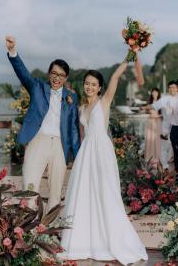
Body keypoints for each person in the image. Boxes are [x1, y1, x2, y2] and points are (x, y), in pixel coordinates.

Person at [58, 55, 148, 265]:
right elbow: (80, 135)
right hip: (86, 152)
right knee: (84, 193)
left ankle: (114, 240)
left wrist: (130, 55)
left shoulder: (105, 101)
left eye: (93, 84)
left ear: (100, 88)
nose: (89, 87)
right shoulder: (81, 107)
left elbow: (116, 76)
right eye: (87, 83)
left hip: (102, 152)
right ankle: (83, 241)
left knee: (106, 193)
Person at [5, 36, 80, 212]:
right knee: (29, 187)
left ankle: (51, 232)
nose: (57, 78)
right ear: (49, 73)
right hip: (38, 140)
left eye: (61, 75)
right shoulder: (37, 87)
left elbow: (74, 127)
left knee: (55, 192)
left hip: (60, 146)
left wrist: (77, 155)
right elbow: (22, 73)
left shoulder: (72, 97)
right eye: (54, 73)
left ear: (66, 77)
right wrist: (12, 52)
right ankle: (27, 230)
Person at [152, 81, 178, 172]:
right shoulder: (164, 99)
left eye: (174, 87)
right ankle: (165, 166)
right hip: (166, 127)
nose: (172, 89)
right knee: (164, 147)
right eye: (170, 87)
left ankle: (174, 167)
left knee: (174, 150)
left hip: (175, 127)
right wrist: (158, 116)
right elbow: (154, 107)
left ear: (177, 88)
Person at [143, 88, 162, 162]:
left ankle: (156, 157)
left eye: (156, 92)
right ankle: (149, 157)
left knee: (156, 139)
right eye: (153, 92)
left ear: (158, 93)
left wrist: (157, 116)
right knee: (149, 139)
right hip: (150, 122)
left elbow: (164, 114)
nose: (154, 93)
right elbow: (146, 111)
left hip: (157, 122)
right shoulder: (149, 102)